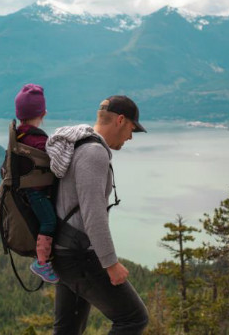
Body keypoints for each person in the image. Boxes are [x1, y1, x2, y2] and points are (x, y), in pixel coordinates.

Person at [46, 95, 149, 335]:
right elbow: (93, 216)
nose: (130, 137)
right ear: (121, 120)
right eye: (132, 129)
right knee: (133, 318)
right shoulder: (94, 153)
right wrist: (111, 264)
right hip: (80, 255)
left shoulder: (77, 144)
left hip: (64, 251)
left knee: (67, 330)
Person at [14, 83, 59, 284]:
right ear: (43, 113)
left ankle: (43, 259)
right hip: (37, 193)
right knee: (49, 222)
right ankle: (41, 263)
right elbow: (55, 164)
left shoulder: (19, 135)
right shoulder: (39, 141)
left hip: (25, 191)